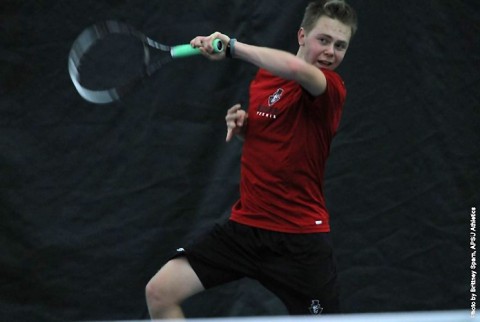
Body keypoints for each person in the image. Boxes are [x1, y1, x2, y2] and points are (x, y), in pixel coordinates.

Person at [145, 0, 358, 318]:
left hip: (299, 242)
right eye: (323, 40)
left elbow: (298, 69)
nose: (330, 51)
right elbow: (280, 136)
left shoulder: (330, 87)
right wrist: (247, 128)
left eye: (340, 45)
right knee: (160, 293)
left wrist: (231, 46)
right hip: (245, 230)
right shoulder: (265, 80)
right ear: (302, 35)